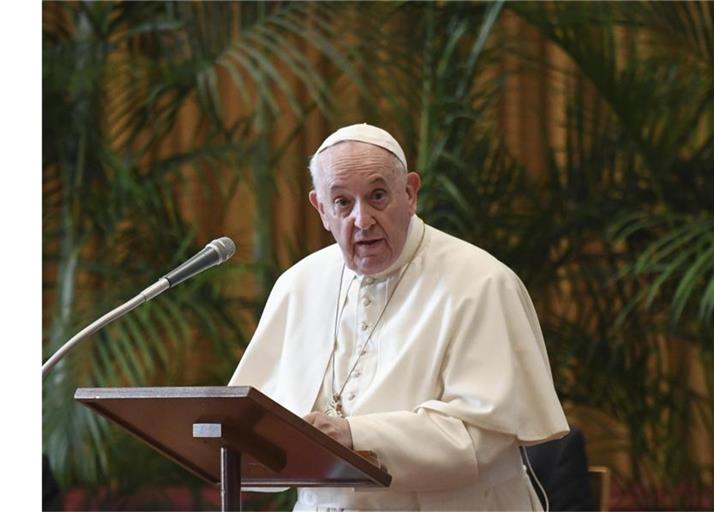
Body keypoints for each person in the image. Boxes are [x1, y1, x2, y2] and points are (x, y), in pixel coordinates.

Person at [230, 123, 569, 510]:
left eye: (377, 196)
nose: (362, 219)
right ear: (320, 209)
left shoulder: (482, 282)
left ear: (409, 193)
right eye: (342, 202)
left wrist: (353, 435)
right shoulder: (299, 285)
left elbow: (481, 437)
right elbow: (254, 435)